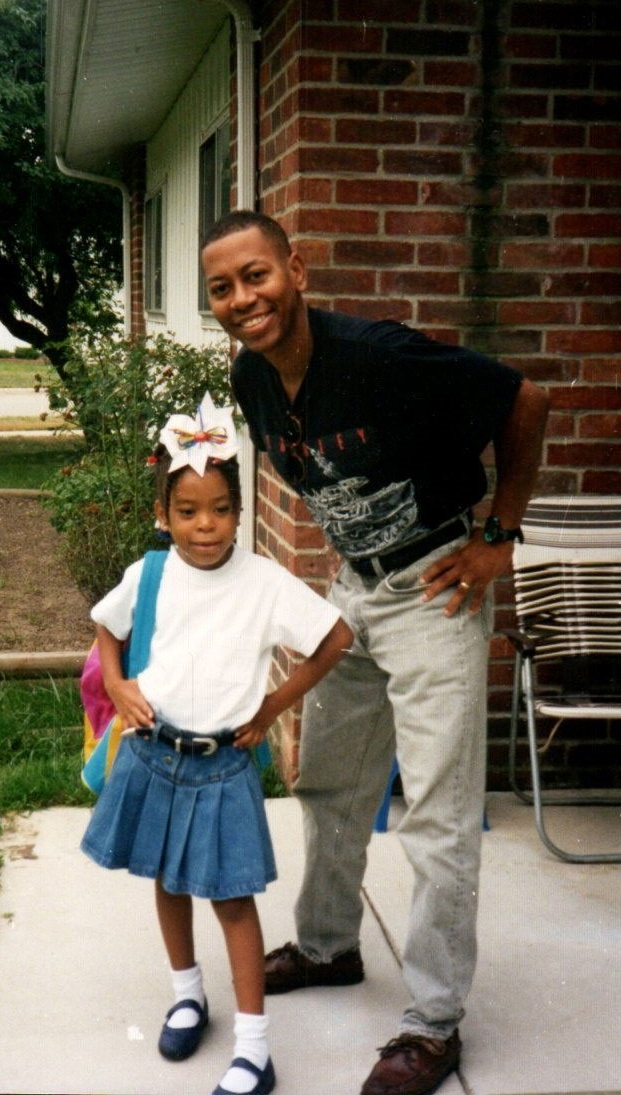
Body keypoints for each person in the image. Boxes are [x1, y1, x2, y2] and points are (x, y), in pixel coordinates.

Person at [200, 211, 550, 1095]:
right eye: (222, 288)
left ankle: (431, 1025)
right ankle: (326, 946)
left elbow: (524, 400)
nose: (244, 298)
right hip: (353, 590)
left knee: (433, 813)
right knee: (329, 776)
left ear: (297, 270)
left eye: (256, 275)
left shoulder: (379, 356)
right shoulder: (252, 378)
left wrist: (498, 536)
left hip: (436, 585)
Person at [80, 392, 353, 1095]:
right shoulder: (150, 573)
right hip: (153, 752)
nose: (206, 526)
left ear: (241, 509)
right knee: (166, 879)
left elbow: (334, 639)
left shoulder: (263, 582)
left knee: (231, 899)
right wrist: (118, 684)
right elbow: (107, 629)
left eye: (220, 509)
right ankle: (186, 994)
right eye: (188, 511)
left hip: (221, 766)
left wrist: (271, 704)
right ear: (162, 514)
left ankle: (255, 1048)